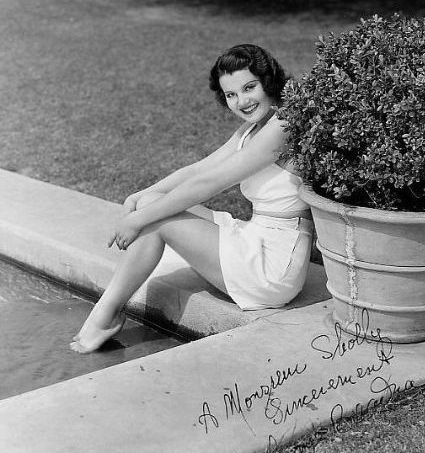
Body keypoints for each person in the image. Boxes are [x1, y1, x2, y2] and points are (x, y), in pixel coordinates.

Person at [70, 44, 314, 354]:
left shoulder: (282, 126)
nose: (242, 101)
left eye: (249, 87)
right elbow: (199, 170)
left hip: (274, 264)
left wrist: (139, 220)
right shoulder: (252, 129)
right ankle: (108, 312)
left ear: (268, 81)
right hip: (257, 237)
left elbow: (211, 182)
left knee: (157, 220)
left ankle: (104, 316)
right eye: (231, 95)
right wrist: (141, 195)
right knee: (151, 203)